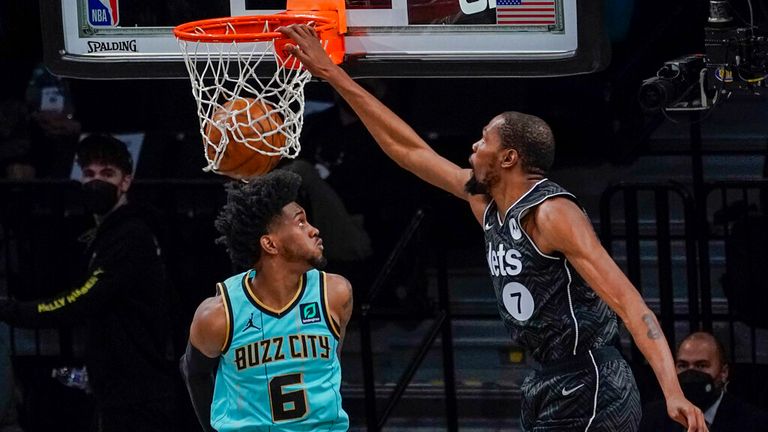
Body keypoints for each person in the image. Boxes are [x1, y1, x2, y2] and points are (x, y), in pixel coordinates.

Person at [278, 24, 709, 432]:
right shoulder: (485, 203)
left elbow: (632, 306)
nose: (473, 146)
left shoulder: (552, 213)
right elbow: (408, 149)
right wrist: (333, 76)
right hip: (547, 377)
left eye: (484, 139)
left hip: (592, 377)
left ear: (509, 159)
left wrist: (671, 393)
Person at [0, 134, 178, 431]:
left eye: (107, 173)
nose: (96, 181)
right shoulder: (106, 236)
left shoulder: (131, 236)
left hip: (138, 393)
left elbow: (82, 299)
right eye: (89, 173)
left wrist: (12, 310)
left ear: (125, 182)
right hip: (119, 390)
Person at [179, 169, 353, 431]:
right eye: (301, 222)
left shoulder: (335, 293)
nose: (314, 230)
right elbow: (195, 374)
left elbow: (331, 367)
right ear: (270, 244)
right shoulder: (218, 315)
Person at [640, 331, 768, 431]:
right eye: (683, 365)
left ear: (723, 373)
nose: (691, 373)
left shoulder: (752, 422)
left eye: (701, 366)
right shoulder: (653, 417)